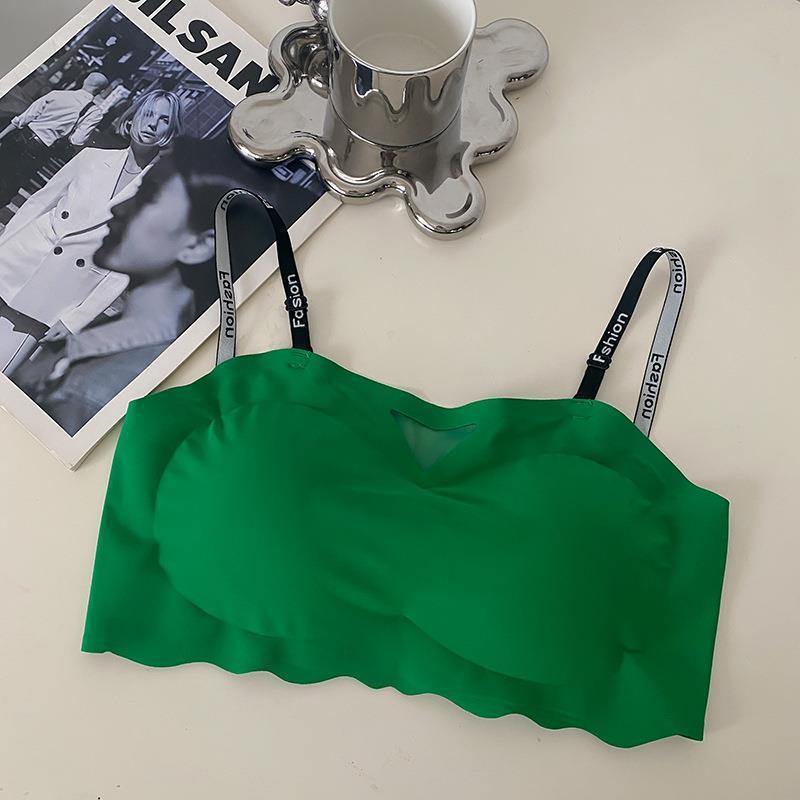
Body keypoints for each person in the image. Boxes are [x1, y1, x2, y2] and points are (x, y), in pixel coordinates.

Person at [11, 136, 321, 435]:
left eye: (148, 196)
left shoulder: (91, 387)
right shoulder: (111, 346)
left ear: (197, 245)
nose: (118, 208)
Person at [0, 90, 184, 375]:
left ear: (171, 131)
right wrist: (3, 244)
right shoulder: (91, 157)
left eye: (164, 120)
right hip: (16, 258)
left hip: (55, 293)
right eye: (148, 114)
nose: (152, 124)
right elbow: (37, 204)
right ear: (133, 117)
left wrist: (75, 320)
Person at [0, 72, 109, 207]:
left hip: (19, 138)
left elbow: (23, 119)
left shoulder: (57, 94)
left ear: (85, 80)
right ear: (101, 91)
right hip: (40, 151)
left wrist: (2, 135)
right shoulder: (94, 113)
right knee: (11, 184)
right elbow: (77, 140)